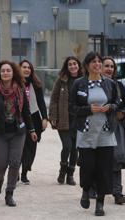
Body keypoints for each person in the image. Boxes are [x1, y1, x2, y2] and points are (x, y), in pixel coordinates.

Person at [0, 60, 37, 207]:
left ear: (13, 73)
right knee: (1, 163)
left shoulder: (21, 88)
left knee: (15, 162)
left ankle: (9, 192)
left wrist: (31, 130)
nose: (5, 73)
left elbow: (26, 111)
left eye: (8, 71)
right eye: (3, 71)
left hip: (18, 131)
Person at [70, 51, 118, 216]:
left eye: (99, 61)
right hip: (86, 132)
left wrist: (110, 107)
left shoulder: (110, 84)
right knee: (88, 166)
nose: (97, 64)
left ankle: (100, 203)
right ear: (87, 65)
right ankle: (86, 189)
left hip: (105, 132)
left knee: (104, 169)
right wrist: (88, 109)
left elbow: (117, 104)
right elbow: (73, 108)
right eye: (93, 61)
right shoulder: (79, 84)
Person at [102, 56, 125, 205]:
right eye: (106, 66)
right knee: (99, 160)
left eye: (112, 66)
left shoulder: (119, 86)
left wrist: (122, 114)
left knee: (116, 160)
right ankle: (94, 188)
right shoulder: (93, 85)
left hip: (116, 128)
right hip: (98, 129)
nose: (109, 69)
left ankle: (117, 192)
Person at [49, 56, 83, 186]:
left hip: (78, 119)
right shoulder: (61, 80)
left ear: (79, 65)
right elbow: (54, 99)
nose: (73, 66)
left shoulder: (83, 80)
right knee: (67, 146)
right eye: (70, 64)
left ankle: (70, 174)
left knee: (75, 149)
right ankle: (62, 170)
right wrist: (53, 117)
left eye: (75, 63)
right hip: (64, 119)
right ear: (67, 67)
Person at [19, 60, 48, 184]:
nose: (26, 69)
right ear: (19, 69)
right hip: (19, 118)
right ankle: (14, 171)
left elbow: (41, 102)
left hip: (34, 117)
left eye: (29, 67)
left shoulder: (36, 84)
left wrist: (45, 118)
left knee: (31, 147)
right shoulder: (14, 84)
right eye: (24, 67)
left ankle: (25, 171)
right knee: (18, 146)